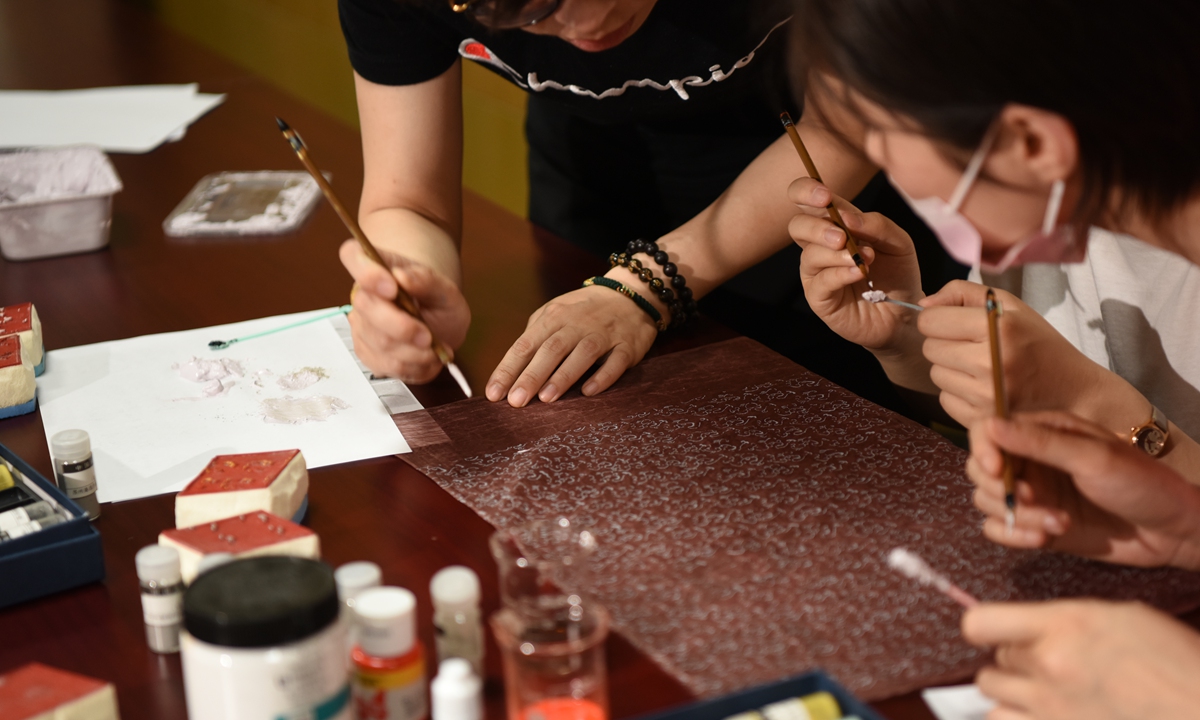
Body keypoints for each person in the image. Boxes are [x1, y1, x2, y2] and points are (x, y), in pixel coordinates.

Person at [785, 0, 1200, 716]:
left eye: (884, 143)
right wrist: (1189, 525)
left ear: (1031, 143)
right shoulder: (1058, 238)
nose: (879, 172)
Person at [336, 0, 962, 413]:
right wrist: (413, 286)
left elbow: (848, 124)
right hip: (593, 172)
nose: (586, 28)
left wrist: (647, 286)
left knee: (837, 429)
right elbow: (409, 199)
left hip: (800, 168)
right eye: (538, 17)